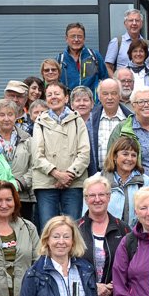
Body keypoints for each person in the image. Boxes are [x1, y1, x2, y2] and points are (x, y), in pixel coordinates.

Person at [32, 81, 90, 232]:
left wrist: (68, 175)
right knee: (48, 228)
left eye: (57, 94)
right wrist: (57, 174)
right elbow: (37, 155)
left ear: (66, 98)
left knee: (73, 227)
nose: (53, 97)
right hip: (47, 183)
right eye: (49, 95)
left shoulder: (77, 120)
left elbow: (84, 153)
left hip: (73, 182)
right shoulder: (40, 121)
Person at [0, 98, 36, 222]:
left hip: (22, 197)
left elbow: (34, 166)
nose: (6, 119)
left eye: (10, 114)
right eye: (2, 115)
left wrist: (19, 183)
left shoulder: (27, 139)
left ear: (16, 116)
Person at [96, 137, 149, 227]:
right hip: (105, 232)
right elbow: (88, 214)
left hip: (135, 233)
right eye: (125, 154)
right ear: (114, 156)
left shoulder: (145, 182)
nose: (129, 159)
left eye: (133, 155)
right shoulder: (98, 179)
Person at [86, 78, 132, 176]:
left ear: (120, 95)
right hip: (98, 176)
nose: (109, 97)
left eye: (114, 93)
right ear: (99, 96)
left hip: (125, 176)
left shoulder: (130, 119)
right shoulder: (90, 119)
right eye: (105, 94)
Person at [57, 22, 108, 98]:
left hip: (92, 103)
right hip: (68, 104)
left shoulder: (94, 56)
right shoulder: (60, 59)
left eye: (79, 36)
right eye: (73, 36)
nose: (76, 39)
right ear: (66, 39)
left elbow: (105, 80)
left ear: (84, 38)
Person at [105, 9, 149, 77]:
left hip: (145, 83)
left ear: (141, 24)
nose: (134, 23)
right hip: (124, 82)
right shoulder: (117, 42)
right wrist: (116, 81)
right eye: (131, 20)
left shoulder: (148, 44)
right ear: (125, 23)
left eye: (137, 20)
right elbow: (108, 67)